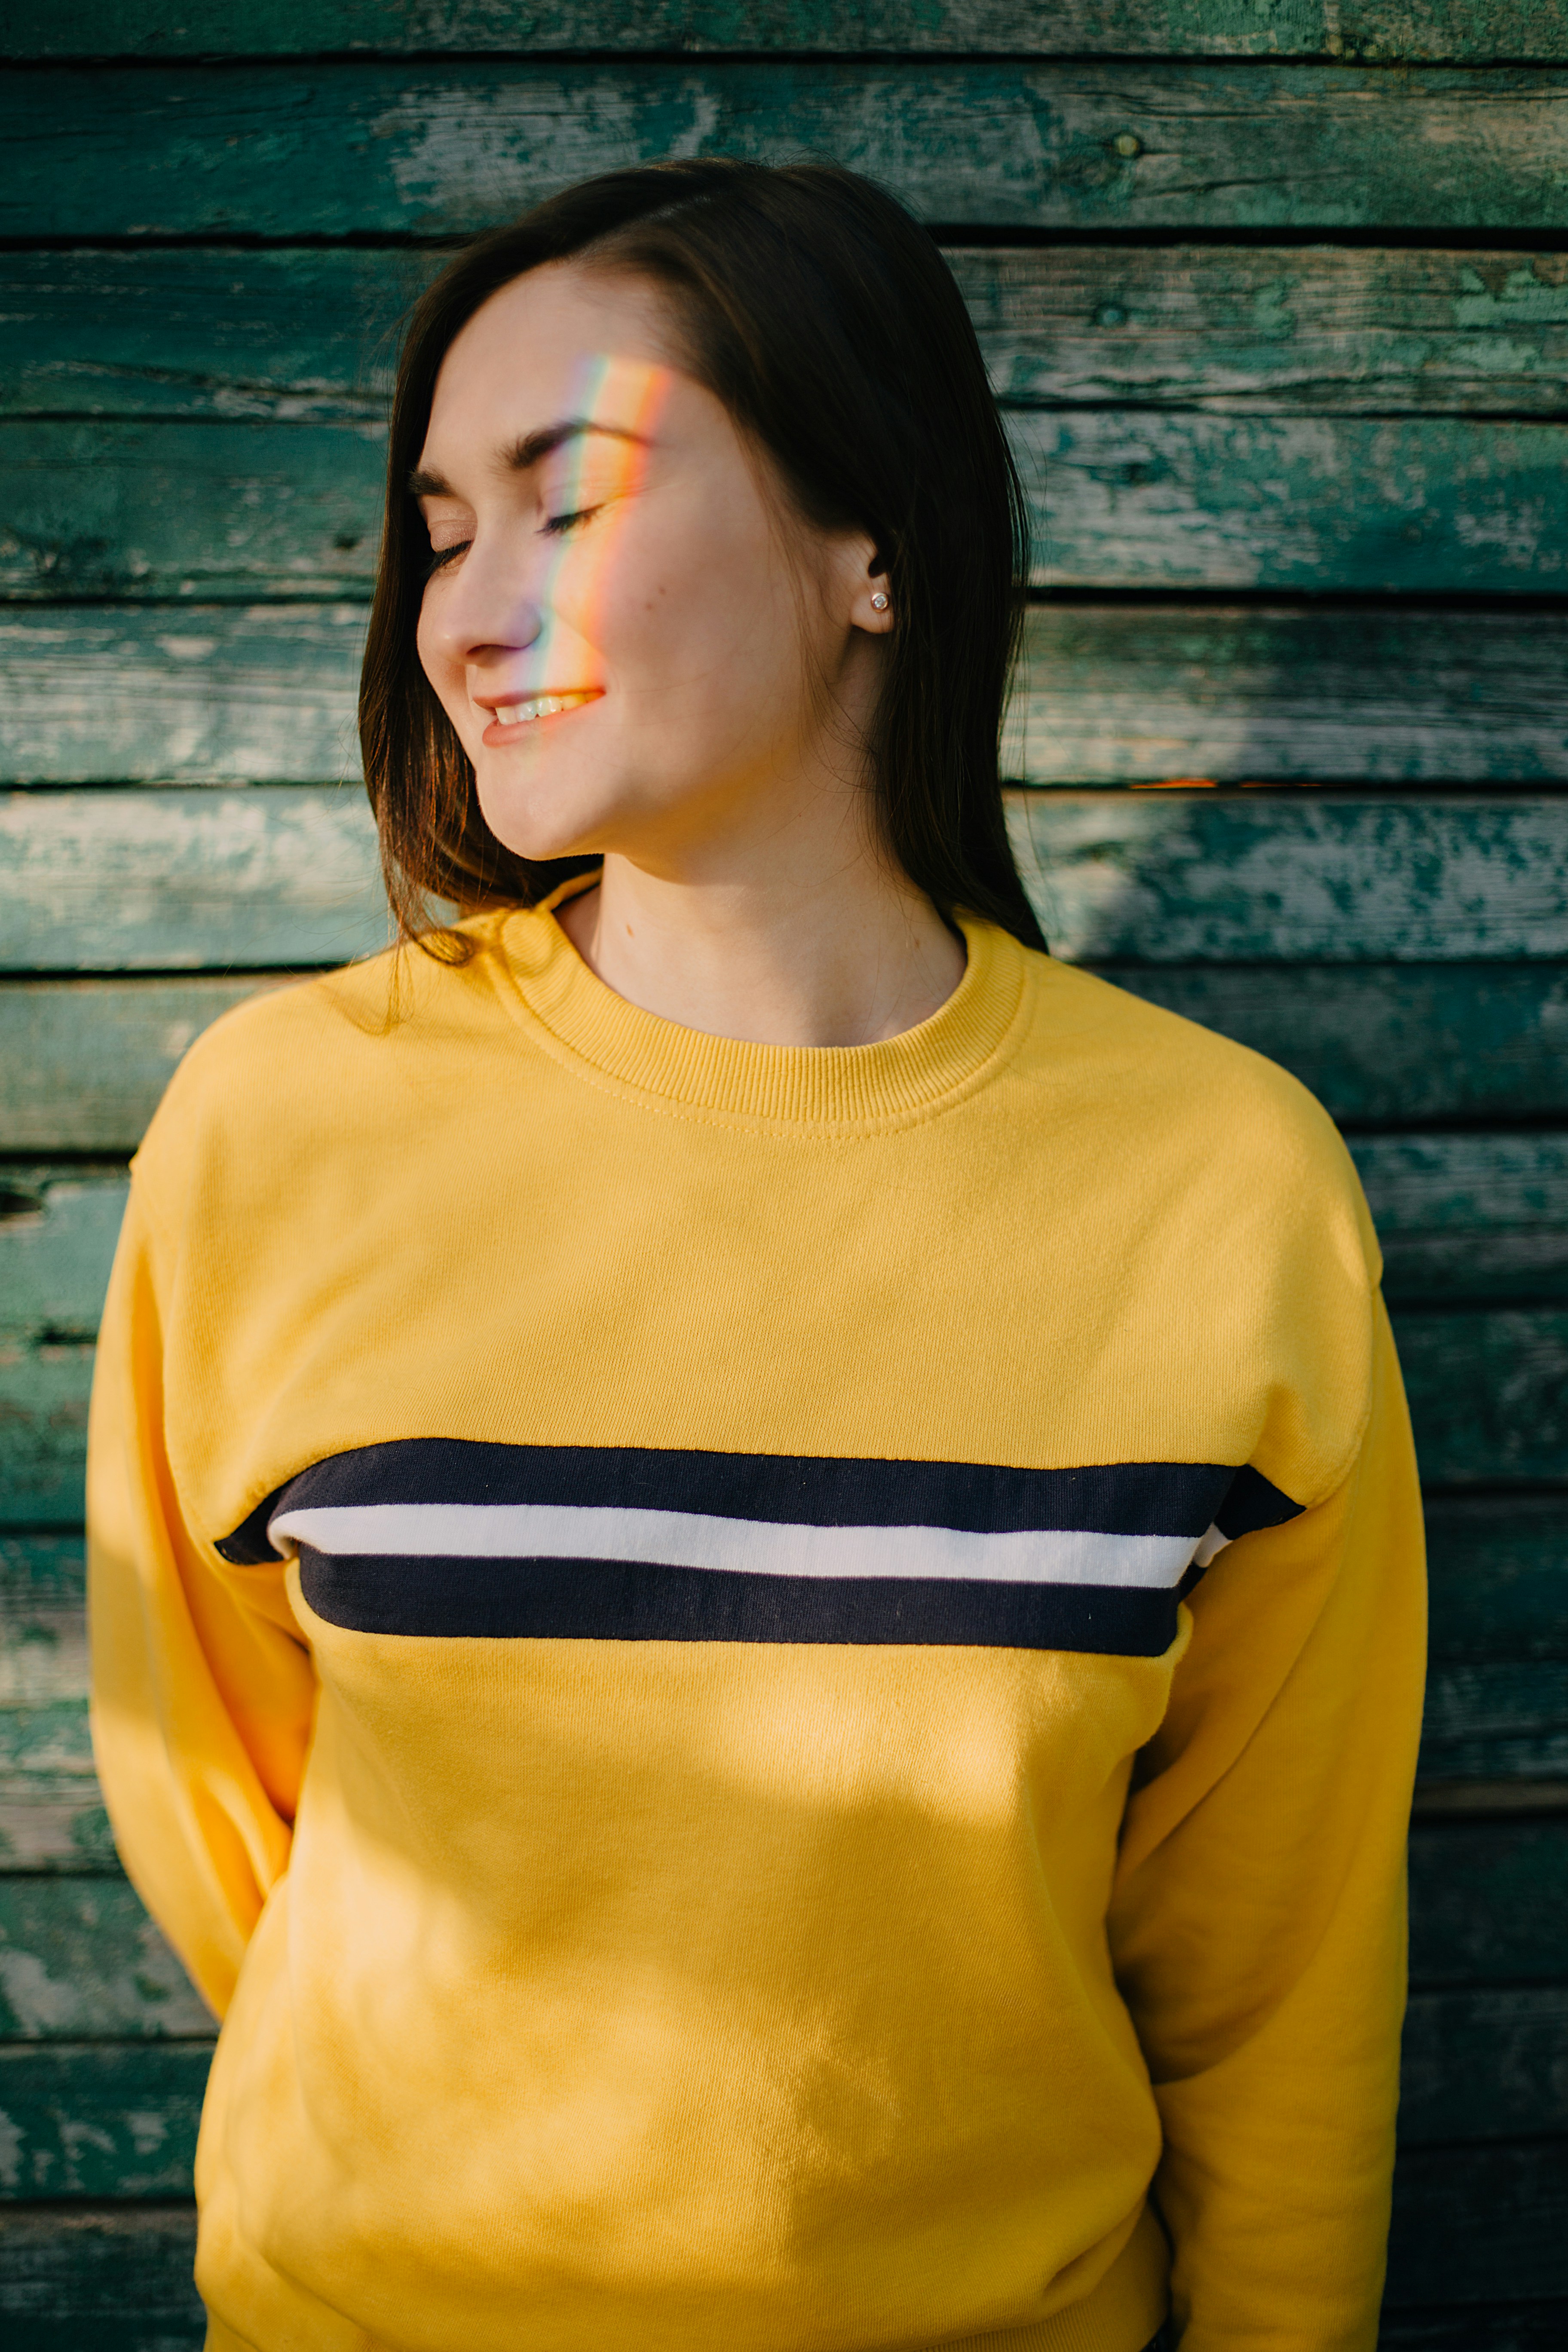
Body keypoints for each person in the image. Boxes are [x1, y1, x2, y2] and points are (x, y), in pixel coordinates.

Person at [87, 160, 1425, 2352]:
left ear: (868, 542)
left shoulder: (1225, 1185)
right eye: (438, 530)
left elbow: (1275, 1964)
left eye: (569, 498)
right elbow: (235, 1820)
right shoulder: (282, 1126)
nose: (464, 612)